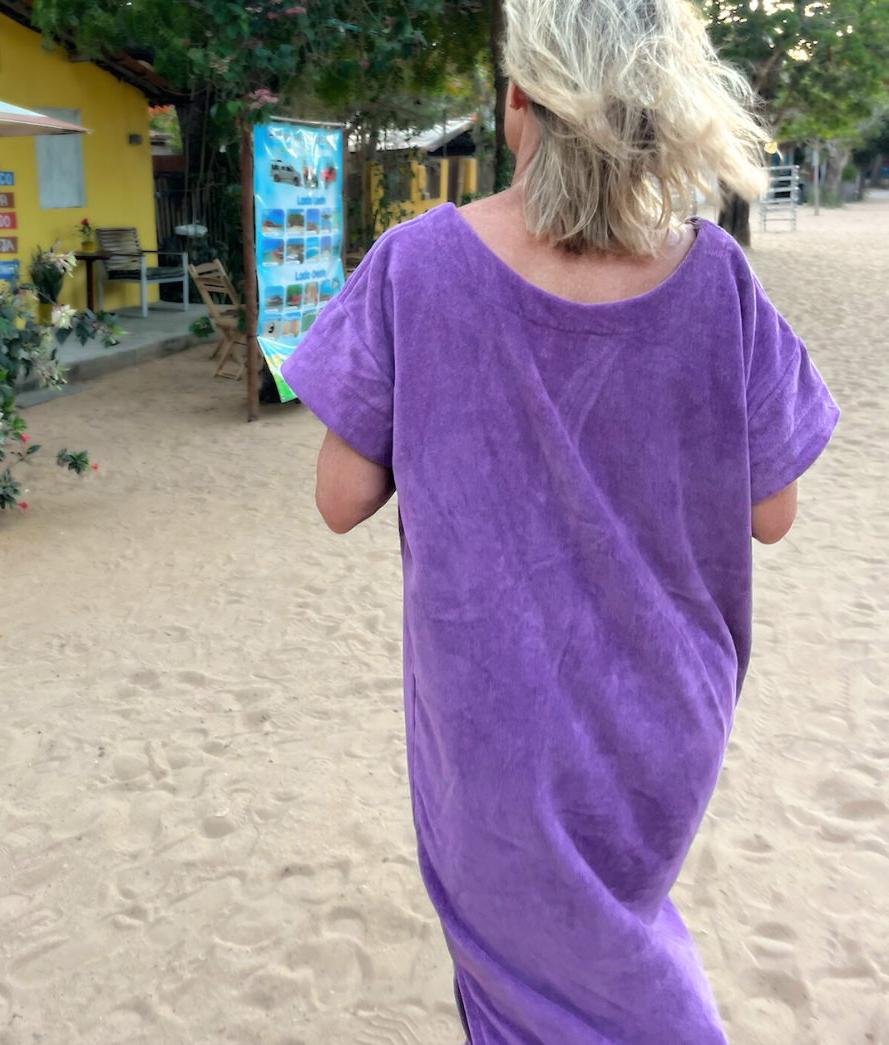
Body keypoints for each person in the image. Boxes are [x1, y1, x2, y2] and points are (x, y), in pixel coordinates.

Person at [281, 1, 839, 1042]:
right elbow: (773, 511)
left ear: (516, 103)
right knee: (601, 948)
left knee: (542, 991)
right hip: (668, 713)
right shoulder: (714, 275)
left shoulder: (415, 263)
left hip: (496, 720)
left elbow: (339, 498)